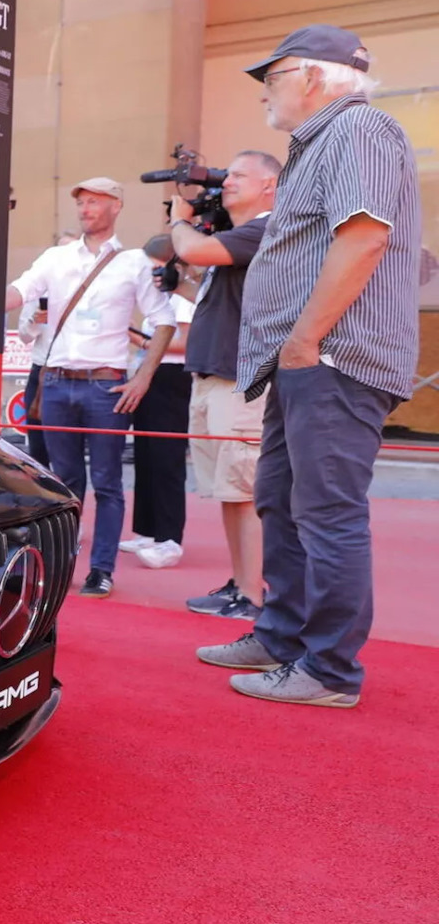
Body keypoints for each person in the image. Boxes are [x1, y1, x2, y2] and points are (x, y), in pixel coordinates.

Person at [196, 25, 423, 710]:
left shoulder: (358, 129)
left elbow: (364, 235)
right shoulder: (327, 141)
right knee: (284, 502)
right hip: (306, 360)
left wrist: (304, 341)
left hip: (331, 357)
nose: (266, 92)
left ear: (315, 77)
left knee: (325, 513)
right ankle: (283, 634)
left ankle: (327, 669)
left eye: (273, 77)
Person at [5, 177, 176, 598]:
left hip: (106, 386)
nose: (85, 209)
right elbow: (19, 292)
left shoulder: (134, 262)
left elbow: (165, 320)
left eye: (95, 201)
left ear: (116, 206)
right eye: (81, 202)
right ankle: (61, 563)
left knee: (108, 481)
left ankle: (101, 569)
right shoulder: (56, 258)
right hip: (58, 383)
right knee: (62, 481)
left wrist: (143, 376)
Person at [169, 150, 279, 622]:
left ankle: (253, 595)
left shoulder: (269, 227)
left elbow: (190, 248)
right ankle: (242, 584)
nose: (226, 182)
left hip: (242, 379)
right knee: (229, 492)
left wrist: (179, 220)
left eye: (238, 175)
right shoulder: (235, 239)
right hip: (215, 374)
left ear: (269, 185)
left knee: (244, 491)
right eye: (227, 174)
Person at [120, 234, 194, 568]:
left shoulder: (185, 292)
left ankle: (169, 537)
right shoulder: (160, 292)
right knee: (145, 453)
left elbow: (184, 342)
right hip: (150, 373)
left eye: (151, 267)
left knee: (166, 458)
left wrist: (140, 338)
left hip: (172, 378)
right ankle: (147, 531)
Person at [13, 229, 81, 469]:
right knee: (38, 445)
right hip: (42, 371)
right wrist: (35, 320)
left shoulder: (90, 291)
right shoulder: (40, 287)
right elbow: (23, 335)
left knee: (69, 450)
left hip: (76, 373)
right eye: (62, 250)